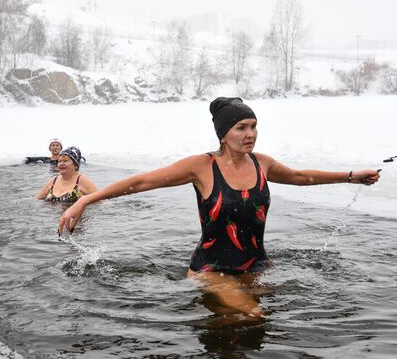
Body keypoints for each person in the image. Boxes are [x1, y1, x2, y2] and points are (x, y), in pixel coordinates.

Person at [58, 97, 380, 318]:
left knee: (241, 325)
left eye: (253, 126)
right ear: (223, 134)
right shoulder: (202, 166)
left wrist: (351, 177)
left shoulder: (261, 164)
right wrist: (85, 199)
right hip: (211, 272)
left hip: (255, 268)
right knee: (255, 315)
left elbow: (300, 176)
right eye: (241, 127)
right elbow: (143, 182)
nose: (250, 134)